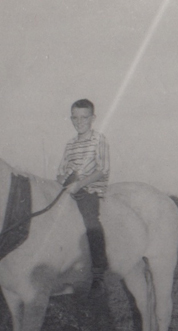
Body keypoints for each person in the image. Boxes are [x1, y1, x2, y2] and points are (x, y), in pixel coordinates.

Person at [57, 99, 110, 294]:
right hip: (70, 189)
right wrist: (63, 179)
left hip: (90, 190)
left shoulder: (98, 139)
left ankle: (98, 274)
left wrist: (79, 184)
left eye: (84, 117)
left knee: (90, 221)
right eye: (75, 118)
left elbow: (103, 169)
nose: (79, 122)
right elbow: (60, 171)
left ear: (93, 118)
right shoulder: (70, 144)